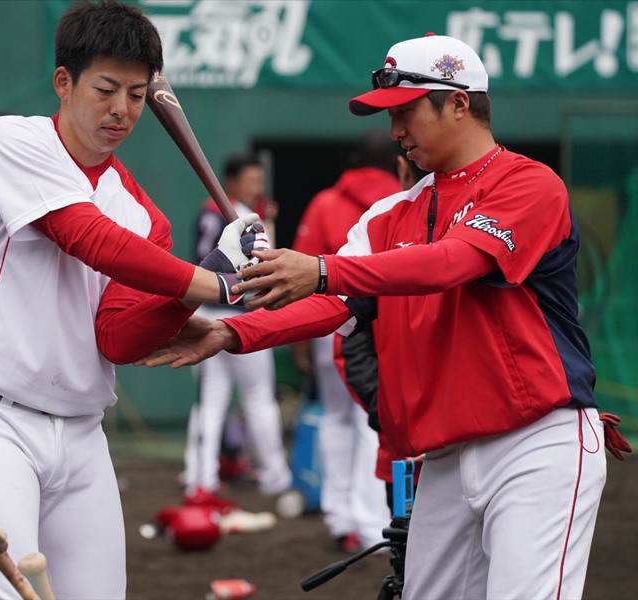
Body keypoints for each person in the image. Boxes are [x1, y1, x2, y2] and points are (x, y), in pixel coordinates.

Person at [138, 33, 632, 600]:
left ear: (460, 102)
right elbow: (336, 305)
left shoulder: (528, 182)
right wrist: (232, 331)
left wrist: (323, 269)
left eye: (406, 111)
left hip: (535, 441)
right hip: (442, 454)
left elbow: (453, 263)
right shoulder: (389, 215)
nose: (396, 132)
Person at [0, 1, 271, 598]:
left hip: (83, 435)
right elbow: (87, 238)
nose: (123, 110)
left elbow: (116, 336)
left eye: (137, 95)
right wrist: (214, 279)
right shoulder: (10, 140)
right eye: (106, 89)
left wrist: (183, 299)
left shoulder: (142, 213)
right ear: (64, 82)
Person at [291, 130, 400, 552]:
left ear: (354, 160)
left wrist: (300, 339)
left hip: (326, 321)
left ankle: (340, 518)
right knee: (371, 420)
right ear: (396, 161)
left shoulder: (326, 201)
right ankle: (372, 525)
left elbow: (300, 270)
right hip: (382, 327)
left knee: (334, 417)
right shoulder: (405, 198)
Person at [183, 153, 291, 507]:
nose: (256, 187)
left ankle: (201, 478)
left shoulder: (206, 210)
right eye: (251, 180)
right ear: (231, 181)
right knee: (258, 399)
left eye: (259, 181)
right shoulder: (242, 216)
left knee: (209, 404)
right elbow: (266, 264)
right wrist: (268, 224)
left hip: (205, 314)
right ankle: (275, 477)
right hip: (241, 315)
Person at [334, 145, 430, 512]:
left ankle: (348, 519)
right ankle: (354, 522)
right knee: (409, 560)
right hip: (404, 442)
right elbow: (347, 332)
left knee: (338, 422)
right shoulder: (381, 221)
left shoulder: (478, 225)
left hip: (461, 446)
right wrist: (391, 416)